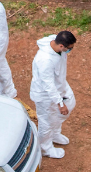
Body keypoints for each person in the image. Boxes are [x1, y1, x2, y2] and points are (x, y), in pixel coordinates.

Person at [30, 31, 77, 159]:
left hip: (60, 84)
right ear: (62, 46)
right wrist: (60, 103)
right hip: (45, 94)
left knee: (70, 103)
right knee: (46, 121)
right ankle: (45, 148)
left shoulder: (54, 41)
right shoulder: (45, 60)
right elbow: (48, 85)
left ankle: (55, 133)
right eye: (70, 49)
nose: (70, 51)